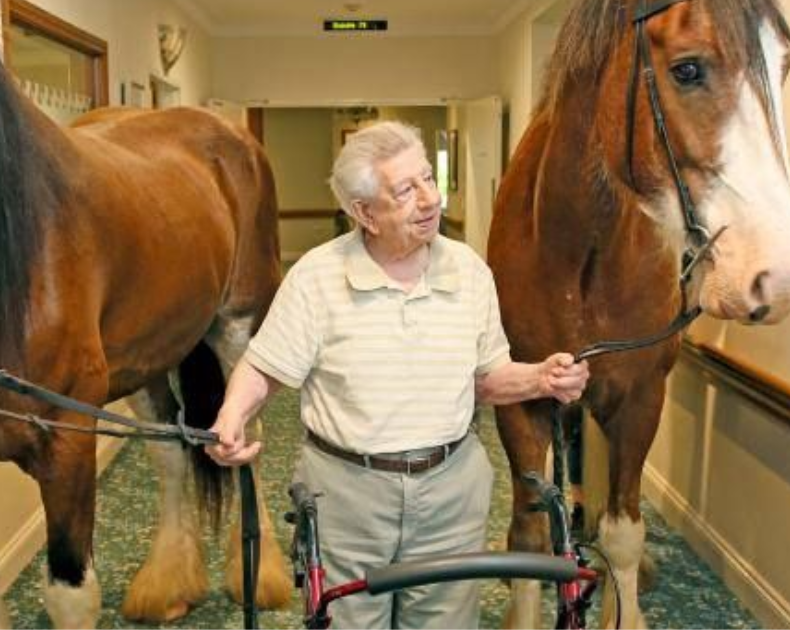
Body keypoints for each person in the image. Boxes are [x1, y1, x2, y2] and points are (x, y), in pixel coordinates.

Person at [206, 121, 589, 629]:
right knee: (350, 620)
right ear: (363, 213)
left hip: (451, 489)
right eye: (405, 191)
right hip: (348, 493)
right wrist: (232, 415)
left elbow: (485, 377)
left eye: (427, 178)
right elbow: (263, 366)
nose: (429, 199)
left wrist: (542, 379)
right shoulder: (318, 276)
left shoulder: (469, 271)